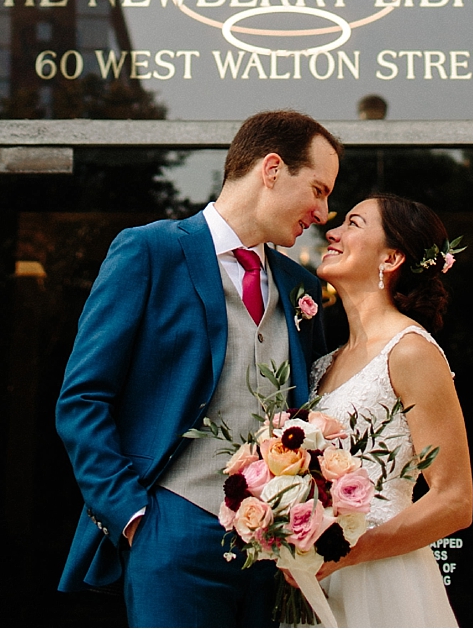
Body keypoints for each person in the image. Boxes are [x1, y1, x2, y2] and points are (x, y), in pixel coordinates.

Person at [55, 107, 339, 622]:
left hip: (275, 552)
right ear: (272, 170)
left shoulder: (301, 287)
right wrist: (133, 515)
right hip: (171, 530)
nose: (323, 212)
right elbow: (82, 400)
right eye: (318, 190)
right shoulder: (150, 251)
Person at [305, 191, 473, 625]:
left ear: (391, 258)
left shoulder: (410, 352)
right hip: (317, 577)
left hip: (381, 578)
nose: (333, 231)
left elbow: (455, 501)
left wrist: (351, 553)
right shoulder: (325, 363)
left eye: (354, 224)